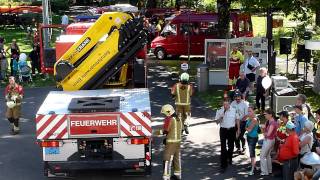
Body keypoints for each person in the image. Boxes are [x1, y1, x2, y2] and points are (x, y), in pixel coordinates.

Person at [215, 99, 240, 173]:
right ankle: (223, 165)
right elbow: (216, 122)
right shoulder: (219, 110)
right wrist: (221, 117)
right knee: (223, 147)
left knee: (231, 146)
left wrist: (238, 129)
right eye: (224, 104)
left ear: (230, 104)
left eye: (227, 104)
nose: (225, 106)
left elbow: (237, 119)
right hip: (223, 130)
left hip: (232, 130)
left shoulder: (234, 110)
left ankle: (229, 157)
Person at [160, 104, 182, 180]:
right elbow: (180, 130)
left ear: (167, 112)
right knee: (176, 160)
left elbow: (166, 131)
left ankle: (166, 177)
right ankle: (178, 176)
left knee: (167, 160)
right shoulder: (178, 118)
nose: (164, 115)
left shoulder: (169, 119)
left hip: (170, 143)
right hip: (178, 143)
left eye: (164, 113)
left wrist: (156, 132)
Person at [260, 108, 279, 176]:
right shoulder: (269, 121)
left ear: (270, 115)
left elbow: (268, 134)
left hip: (269, 140)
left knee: (262, 156)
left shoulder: (272, 123)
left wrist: (262, 129)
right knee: (267, 155)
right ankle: (269, 170)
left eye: (266, 114)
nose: (264, 115)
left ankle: (264, 172)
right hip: (271, 140)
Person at [245, 106, 259, 175]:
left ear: (254, 111)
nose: (248, 112)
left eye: (250, 111)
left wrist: (245, 127)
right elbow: (248, 128)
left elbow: (249, 130)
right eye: (248, 111)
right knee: (251, 152)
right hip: (249, 137)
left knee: (252, 153)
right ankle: (254, 166)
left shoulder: (254, 119)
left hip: (253, 138)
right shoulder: (249, 118)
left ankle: (252, 170)